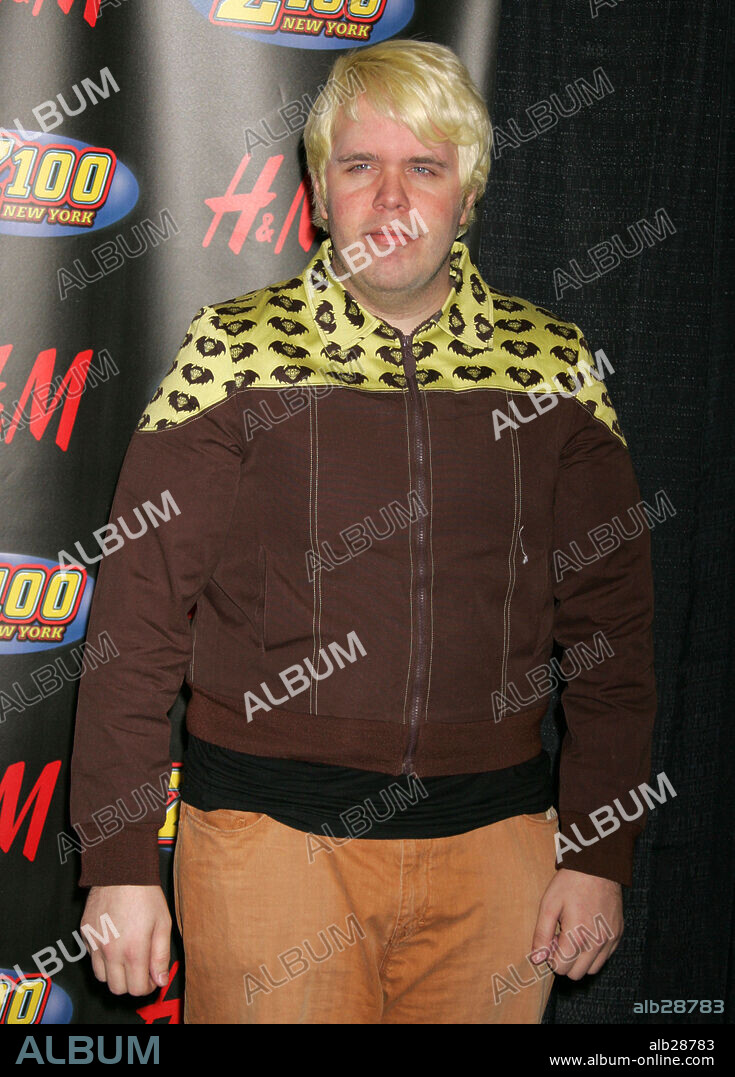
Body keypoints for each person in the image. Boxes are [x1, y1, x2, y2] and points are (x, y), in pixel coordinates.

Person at [70, 38, 657, 1024]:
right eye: (360, 166)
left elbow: (615, 641)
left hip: (498, 866)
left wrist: (599, 850)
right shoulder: (231, 353)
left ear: (467, 194)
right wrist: (121, 863)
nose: (392, 199)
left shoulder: (553, 365)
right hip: (268, 854)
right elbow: (137, 621)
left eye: (424, 167)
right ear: (319, 191)